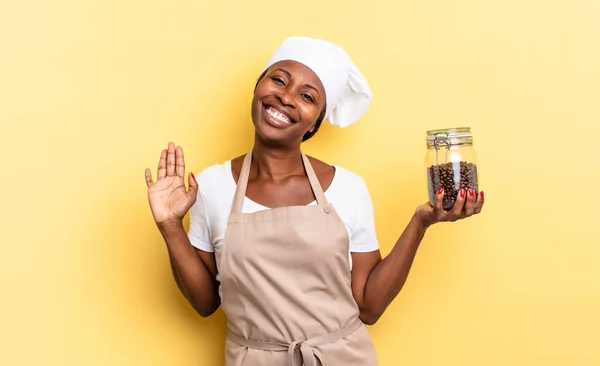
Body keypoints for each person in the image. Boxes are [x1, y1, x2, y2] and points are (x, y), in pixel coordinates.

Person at [144, 36, 485, 366]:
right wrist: (170, 226)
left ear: (315, 124)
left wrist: (419, 222)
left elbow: (368, 306)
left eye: (307, 96)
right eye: (279, 80)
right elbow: (205, 303)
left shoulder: (348, 188)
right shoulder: (210, 186)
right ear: (257, 86)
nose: (287, 98)